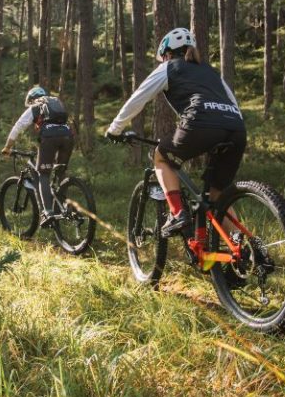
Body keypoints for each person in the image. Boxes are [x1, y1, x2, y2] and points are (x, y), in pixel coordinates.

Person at [105, 27, 246, 239]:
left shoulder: (169, 67)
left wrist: (115, 129)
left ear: (168, 53)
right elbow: (233, 103)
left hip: (201, 123)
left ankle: (177, 213)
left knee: (161, 157)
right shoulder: (210, 71)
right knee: (217, 196)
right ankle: (244, 247)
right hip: (236, 128)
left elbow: (138, 98)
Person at [2, 86, 75, 227]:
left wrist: (7, 147)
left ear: (31, 99)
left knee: (43, 174)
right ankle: (63, 206)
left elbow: (19, 126)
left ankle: (48, 212)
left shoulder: (35, 106)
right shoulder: (55, 102)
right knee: (60, 172)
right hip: (68, 136)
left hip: (49, 138)